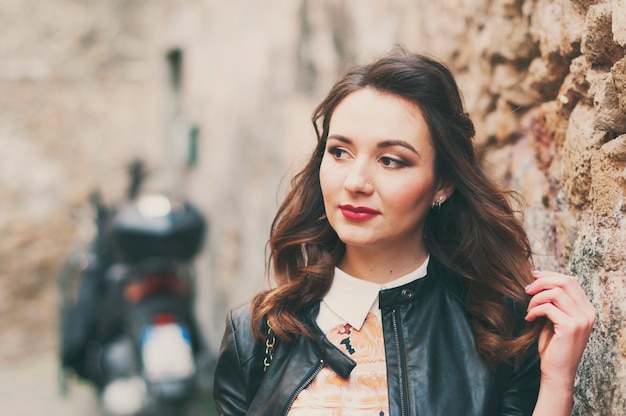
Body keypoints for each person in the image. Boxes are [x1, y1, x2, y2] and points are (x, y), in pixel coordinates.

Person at [212, 49, 596, 415]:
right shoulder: (260, 333)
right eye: (340, 152)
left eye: (391, 160)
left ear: (442, 184)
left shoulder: (499, 326)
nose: (356, 182)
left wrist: (558, 380)